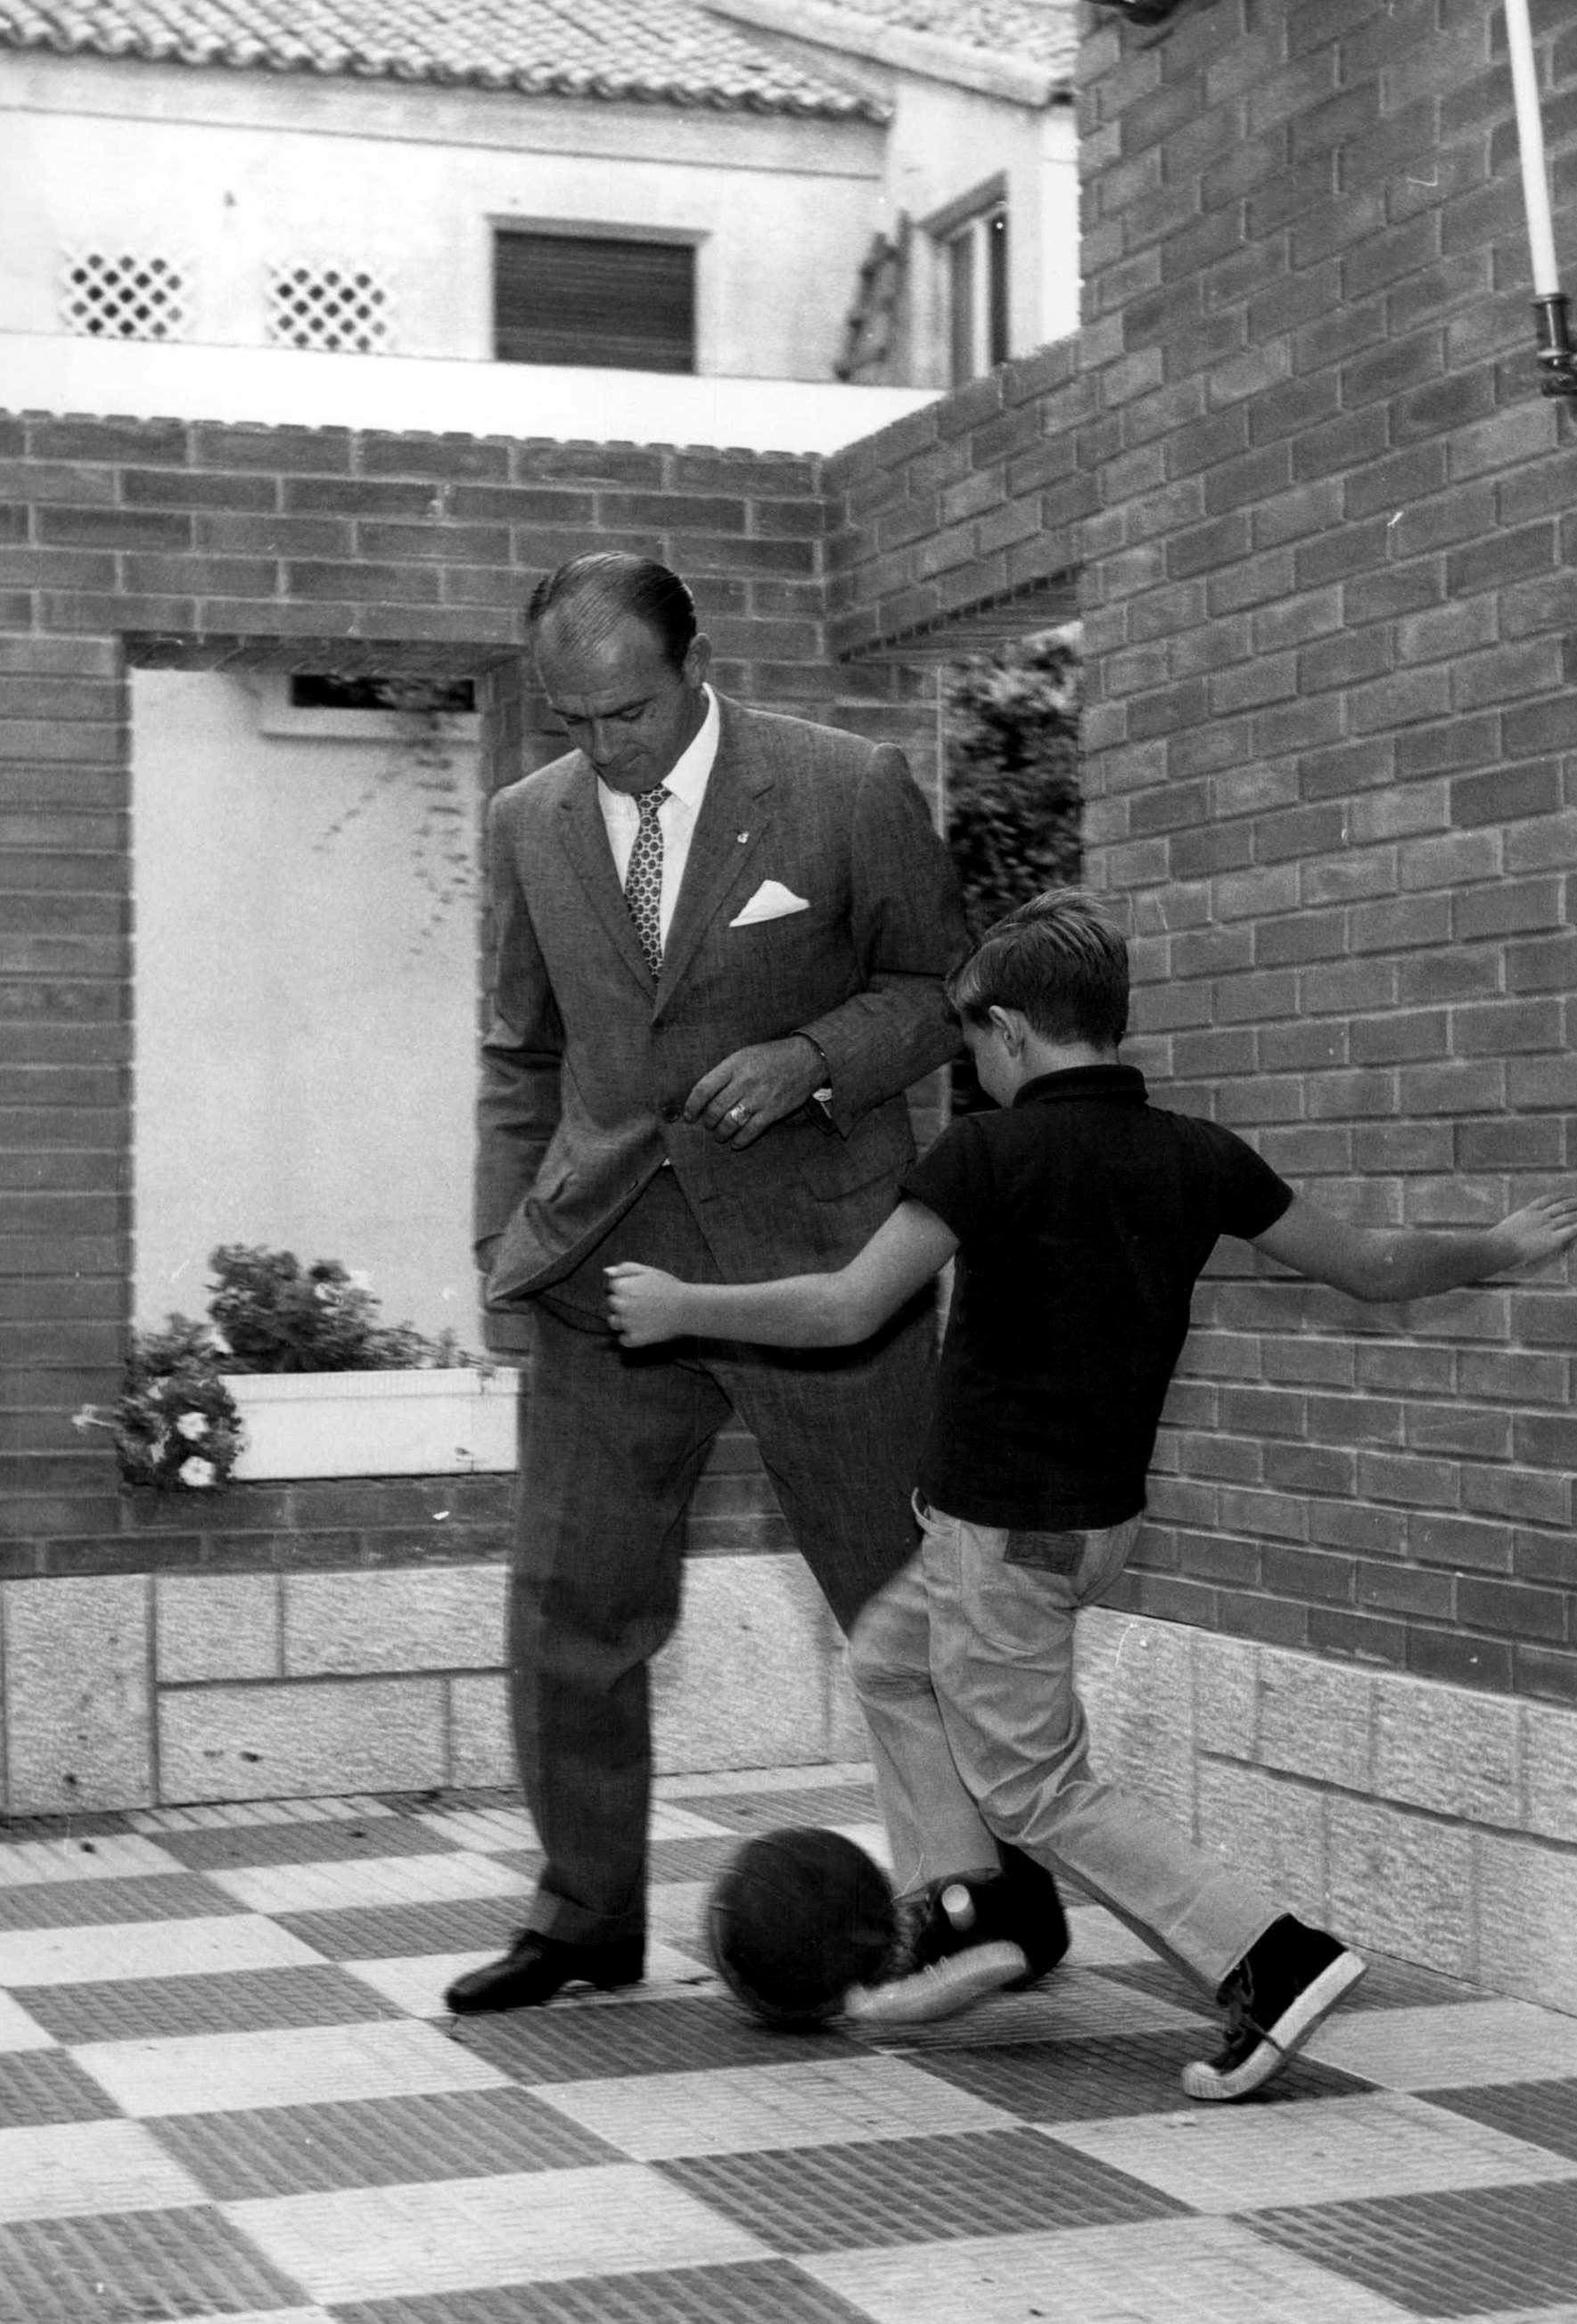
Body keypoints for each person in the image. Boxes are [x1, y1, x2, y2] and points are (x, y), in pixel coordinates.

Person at [604, 890, 1577, 2098]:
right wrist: (1494, 1245)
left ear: (1011, 1031)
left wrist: (683, 1309)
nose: (972, 1064)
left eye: (972, 1041)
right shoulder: (1195, 1154)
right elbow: (1373, 1269)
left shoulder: (988, 1154)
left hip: (1002, 1530)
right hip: (1093, 1527)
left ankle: (1267, 1961)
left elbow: (846, 1306)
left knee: (1035, 1784)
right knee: (888, 1659)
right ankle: (967, 1907)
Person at [448, 553, 1064, 2016]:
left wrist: (810, 1061)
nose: (602, 748)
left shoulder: (845, 787)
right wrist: (501, 1246)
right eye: (571, 720)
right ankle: (582, 1917)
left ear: (696, 661)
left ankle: (999, 1900)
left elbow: (941, 994)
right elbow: (518, 1055)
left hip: (824, 1270)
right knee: (570, 1605)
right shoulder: (524, 824)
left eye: (628, 712)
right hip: (603, 1270)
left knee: (904, 1600)